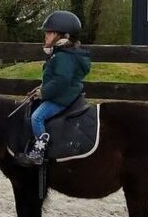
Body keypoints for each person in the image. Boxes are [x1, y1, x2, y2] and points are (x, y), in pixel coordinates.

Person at [16, 10, 92, 166]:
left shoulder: (63, 56)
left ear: (64, 36)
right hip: (63, 94)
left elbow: (61, 80)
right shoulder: (62, 54)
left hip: (61, 98)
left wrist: (43, 92)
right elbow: (54, 78)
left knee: (37, 117)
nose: (46, 36)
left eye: (50, 33)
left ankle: (39, 151)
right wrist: (40, 88)